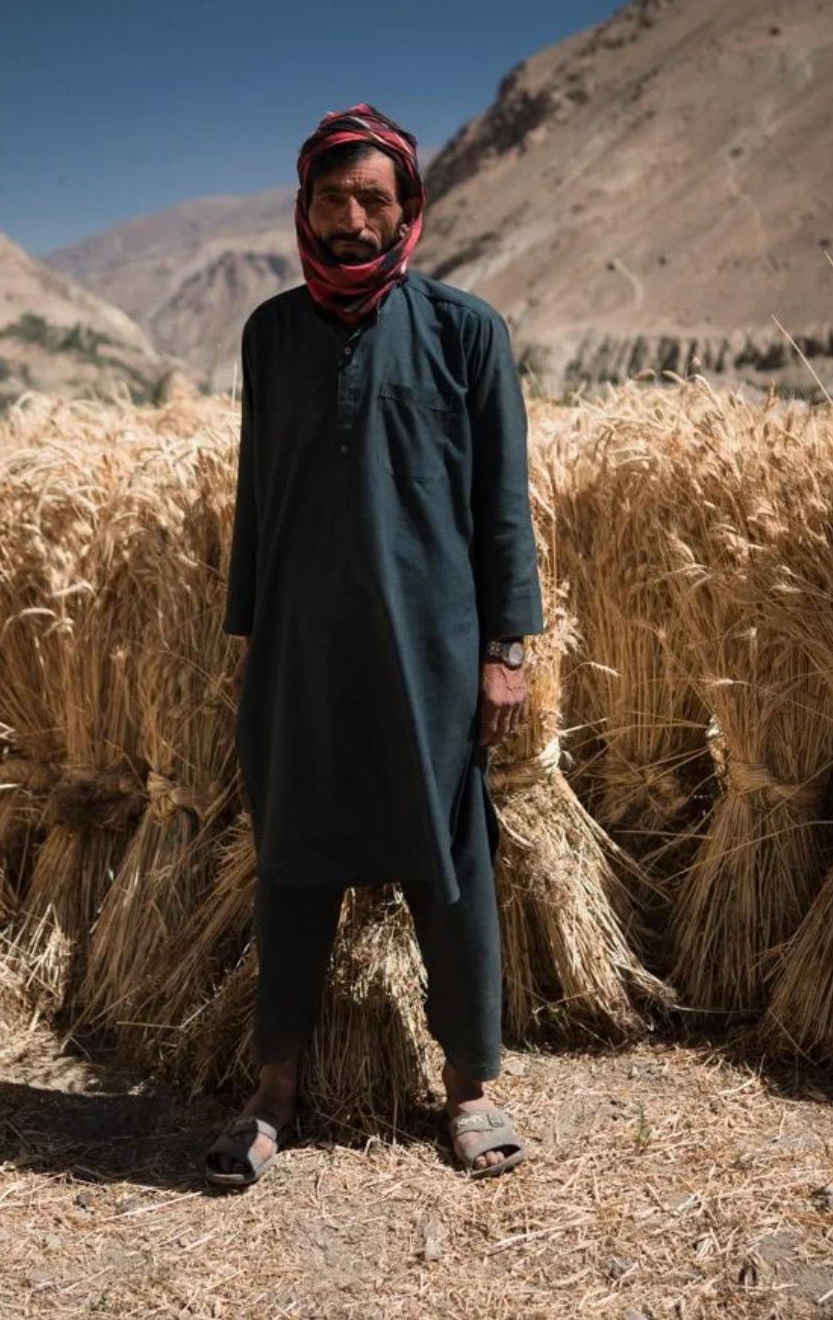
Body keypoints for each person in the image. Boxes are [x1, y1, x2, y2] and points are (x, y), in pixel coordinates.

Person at [203, 103, 543, 1186]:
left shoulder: (463, 332)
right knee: (291, 863)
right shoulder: (269, 333)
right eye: (329, 199)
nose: (349, 220)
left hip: (429, 650)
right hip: (301, 650)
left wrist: (505, 650)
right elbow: (256, 497)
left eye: (371, 200)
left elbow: (501, 503)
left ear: (406, 211)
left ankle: (469, 1090)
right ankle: (272, 1095)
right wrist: (249, 635)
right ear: (301, 207)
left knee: (447, 867)